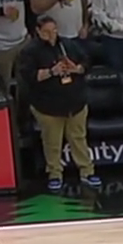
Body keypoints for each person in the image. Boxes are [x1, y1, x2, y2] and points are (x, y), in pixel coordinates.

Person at [21, 13, 95, 191]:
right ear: (38, 31)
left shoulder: (68, 44)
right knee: (52, 142)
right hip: (48, 106)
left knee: (79, 139)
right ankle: (55, 174)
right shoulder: (29, 51)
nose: (51, 35)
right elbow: (29, 76)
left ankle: (87, 171)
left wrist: (77, 68)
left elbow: (86, 61)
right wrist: (52, 72)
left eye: (54, 31)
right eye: (47, 32)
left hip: (75, 102)